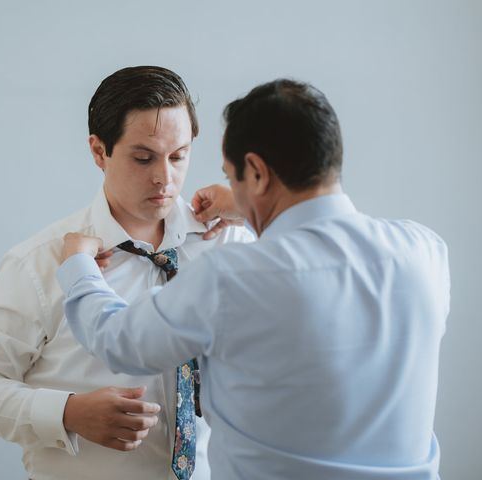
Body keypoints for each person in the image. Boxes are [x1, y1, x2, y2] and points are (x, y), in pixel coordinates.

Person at [56, 79, 451, 479]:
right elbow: (328, 254)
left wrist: (77, 265)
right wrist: (252, 208)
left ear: (258, 173)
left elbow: (117, 341)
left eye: (232, 177)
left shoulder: (231, 277)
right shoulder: (424, 251)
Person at [0, 65, 253, 480]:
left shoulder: (231, 244)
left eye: (178, 156)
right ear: (99, 151)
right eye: (143, 158)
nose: (165, 178)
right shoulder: (39, 262)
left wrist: (256, 209)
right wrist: (67, 412)